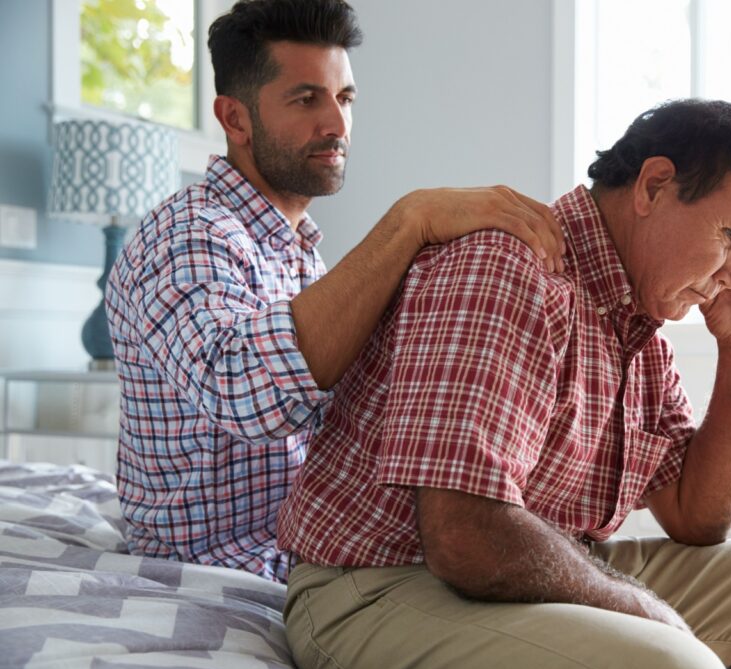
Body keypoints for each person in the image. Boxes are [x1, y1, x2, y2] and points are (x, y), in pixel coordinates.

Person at [277, 98, 731, 669]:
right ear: (653, 187)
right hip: (377, 587)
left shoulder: (639, 327)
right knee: (671, 663)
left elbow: (697, 516)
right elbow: (463, 534)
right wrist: (637, 608)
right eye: (729, 236)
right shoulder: (505, 271)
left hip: (517, 570)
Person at [104, 0, 564, 583]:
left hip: (311, 554)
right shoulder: (188, 234)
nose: (338, 126)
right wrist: (409, 220)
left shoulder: (299, 251)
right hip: (223, 570)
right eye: (306, 99)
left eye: (344, 98)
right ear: (235, 119)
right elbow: (244, 393)